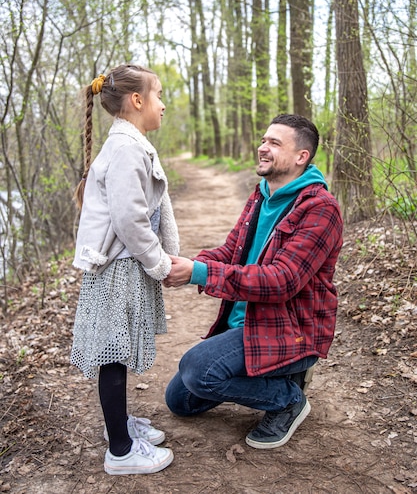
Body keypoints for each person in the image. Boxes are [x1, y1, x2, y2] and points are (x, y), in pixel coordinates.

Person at [163, 114, 343, 449]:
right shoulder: (261, 195)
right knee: (180, 401)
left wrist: (200, 274)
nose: (263, 147)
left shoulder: (321, 208)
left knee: (198, 370)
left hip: (289, 331)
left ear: (301, 156)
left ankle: (288, 398)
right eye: (263, 140)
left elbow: (282, 281)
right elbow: (232, 250)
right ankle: (264, 376)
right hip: (248, 324)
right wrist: (187, 265)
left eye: (275, 143)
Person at [71, 64, 179, 475]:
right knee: (112, 355)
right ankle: (120, 450)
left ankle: (120, 425)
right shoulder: (126, 149)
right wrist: (160, 262)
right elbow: (130, 220)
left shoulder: (129, 144)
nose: (163, 105)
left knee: (115, 352)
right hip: (118, 269)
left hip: (123, 268)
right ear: (137, 101)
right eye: (159, 95)